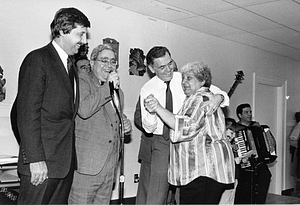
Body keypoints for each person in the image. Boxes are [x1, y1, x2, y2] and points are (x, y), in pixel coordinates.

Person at [134, 46, 230, 204]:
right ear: (151, 68)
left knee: (186, 191)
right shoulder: (147, 88)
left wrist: (217, 98)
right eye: (162, 67)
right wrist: (152, 111)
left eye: (170, 63)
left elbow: (220, 93)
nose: (168, 70)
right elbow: (148, 127)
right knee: (157, 193)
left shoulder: (184, 78)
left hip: (190, 143)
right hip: (162, 141)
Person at [15, 7, 90, 204]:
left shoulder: (71, 67)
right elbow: (25, 113)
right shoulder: (38, 59)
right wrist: (34, 159)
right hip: (41, 166)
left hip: (63, 165)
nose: (84, 41)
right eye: (80, 34)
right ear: (64, 31)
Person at [68, 44, 132, 204]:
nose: (109, 65)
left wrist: (124, 124)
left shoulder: (119, 92)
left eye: (113, 61)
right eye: (104, 60)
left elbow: (110, 118)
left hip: (109, 167)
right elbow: (84, 109)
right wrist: (108, 88)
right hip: (87, 167)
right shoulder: (82, 80)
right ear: (92, 62)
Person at [234, 103, 272, 204]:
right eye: (246, 112)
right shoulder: (236, 128)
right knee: (244, 185)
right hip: (244, 162)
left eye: (250, 112)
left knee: (265, 176)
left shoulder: (257, 126)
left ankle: (259, 202)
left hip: (258, 161)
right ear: (239, 115)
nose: (249, 114)